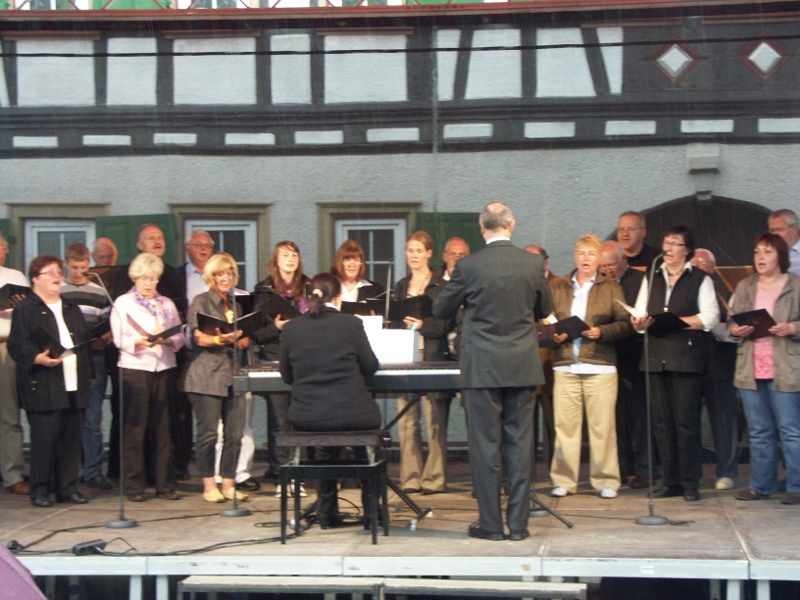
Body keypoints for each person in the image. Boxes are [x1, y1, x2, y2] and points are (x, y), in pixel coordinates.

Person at [433, 202, 552, 541]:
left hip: (482, 366)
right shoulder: (532, 263)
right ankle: (518, 525)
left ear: (482, 227)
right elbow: (546, 308)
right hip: (522, 365)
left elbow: (441, 308)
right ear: (511, 225)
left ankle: (490, 524)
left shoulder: (469, 266)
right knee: (520, 445)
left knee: (485, 447)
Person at [279, 273, 381, 528]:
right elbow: (370, 367)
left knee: (325, 444)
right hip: (354, 412)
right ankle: (371, 513)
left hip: (307, 416)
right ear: (339, 296)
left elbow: (286, 376)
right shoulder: (351, 324)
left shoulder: (292, 328)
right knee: (362, 438)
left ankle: (327, 515)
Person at [633, 225, 719, 502]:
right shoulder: (652, 275)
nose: (667, 249)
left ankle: (690, 481)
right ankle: (668, 480)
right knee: (661, 423)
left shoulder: (700, 279)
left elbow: (711, 317)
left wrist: (681, 323)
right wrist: (638, 321)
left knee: (686, 423)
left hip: (686, 357)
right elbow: (640, 311)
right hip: (656, 356)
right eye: (665, 243)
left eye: (675, 244)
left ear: (687, 250)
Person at [549, 235, 632, 499]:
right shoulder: (559, 286)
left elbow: (626, 323)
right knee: (565, 428)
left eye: (591, 254)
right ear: (575, 256)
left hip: (600, 365)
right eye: (582, 253)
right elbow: (547, 319)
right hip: (565, 365)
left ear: (599, 259)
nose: (586, 259)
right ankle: (564, 480)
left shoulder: (611, 287)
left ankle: (606, 479)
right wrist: (556, 333)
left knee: (602, 427)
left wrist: (602, 331)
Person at [8, 255, 93, 507]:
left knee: (70, 440)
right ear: (35, 279)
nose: (57, 276)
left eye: (58, 271)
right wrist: (37, 357)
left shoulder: (70, 307)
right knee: (44, 441)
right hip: (44, 381)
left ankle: (67, 488)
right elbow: (17, 344)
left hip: (73, 381)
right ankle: (41, 489)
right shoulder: (26, 309)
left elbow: (81, 341)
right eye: (50, 272)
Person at [729, 233, 800, 505]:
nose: (760, 257)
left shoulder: (795, 284)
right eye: (757, 251)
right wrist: (737, 329)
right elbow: (731, 323)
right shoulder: (746, 285)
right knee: (759, 430)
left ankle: (796, 486)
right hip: (752, 366)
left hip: (786, 366)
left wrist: (792, 327)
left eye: (767, 252)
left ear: (780, 256)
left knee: (791, 430)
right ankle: (761, 485)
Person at [111, 253, 185, 502]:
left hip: (163, 368)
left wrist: (168, 339)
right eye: (143, 278)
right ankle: (134, 486)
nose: (148, 283)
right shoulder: (123, 303)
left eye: (152, 279)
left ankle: (165, 485)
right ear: (135, 278)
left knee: (164, 429)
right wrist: (138, 341)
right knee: (135, 429)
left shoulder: (166, 304)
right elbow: (118, 338)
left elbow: (180, 337)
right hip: (135, 369)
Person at [185, 253, 250, 503]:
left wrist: (244, 334)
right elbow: (198, 338)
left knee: (234, 434)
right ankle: (208, 484)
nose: (226, 278)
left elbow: (244, 342)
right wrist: (219, 339)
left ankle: (229, 482)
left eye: (229, 273)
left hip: (233, 375)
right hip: (205, 376)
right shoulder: (200, 301)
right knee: (209, 434)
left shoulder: (237, 304)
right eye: (220, 274)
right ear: (211, 277)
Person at [394, 231, 453, 495]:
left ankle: (435, 478)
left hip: (432, 356)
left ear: (429, 253)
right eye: (410, 250)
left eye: (419, 250)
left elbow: (447, 322)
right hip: (404, 357)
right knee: (406, 420)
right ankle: (411, 478)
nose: (414, 255)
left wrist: (423, 325)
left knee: (435, 420)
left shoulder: (441, 285)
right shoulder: (400, 284)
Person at [253, 241, 310, 496]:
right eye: (285, 255)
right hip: (274, 359)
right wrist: (275, 328)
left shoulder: (308, 287)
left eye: (294, 254)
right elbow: (256, 333)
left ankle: (298, 472)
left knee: (299, 418)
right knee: (279, 420)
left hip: (304, 359)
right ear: (276, 260)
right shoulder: (264, 290)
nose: (290, 259)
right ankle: (281, 474)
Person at [600, 240, 653, 489]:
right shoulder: (600, 283)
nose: (608, 270)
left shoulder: (638, 280)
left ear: (624, 261)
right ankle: (619, 468)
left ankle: (645, 468)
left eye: (612, 265)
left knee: (641, 417)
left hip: (636, 358)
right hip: (608, 357)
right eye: (604, 266)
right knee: (615, 417)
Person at [61, 243, 114, 491]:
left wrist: (105, 338)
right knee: (67, 415)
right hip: (66, 358)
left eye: (83, 267)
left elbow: (108, 323)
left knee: (93, 416)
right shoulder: (58, 290)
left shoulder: (98, 291)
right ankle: (66, 470)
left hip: (94, 357)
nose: (79, 272)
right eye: (75, 267)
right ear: (66, 264)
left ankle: (92, 470)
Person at [692, 248, 740, 490]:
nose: (698, 264)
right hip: (690, 364)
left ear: (714, 266)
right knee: (689, 421)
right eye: (694, 261)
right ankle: (692, 472)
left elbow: (735, 326)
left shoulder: (726, 291)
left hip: (720, 364)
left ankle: (727, 472)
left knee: (724, 421)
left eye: (703, 261)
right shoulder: (687, 288)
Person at [172, 229, 216, 482]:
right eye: (197, 244)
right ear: (187, 248)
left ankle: (213, 466)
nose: (202, 248)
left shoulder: (220, 276)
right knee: (181, 410)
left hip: (215, 349)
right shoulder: (176, 275)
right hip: (185, 350)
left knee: (211, 414)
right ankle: (181, 462)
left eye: (207, 244)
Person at [524, 244, 564, 464]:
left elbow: (559, 318)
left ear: (546, 263)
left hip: (551, 364)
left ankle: (557, 472)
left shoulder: (558, 285)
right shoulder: (519, 284)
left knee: (554, 424)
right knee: (526, 426)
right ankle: (527, 472)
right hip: (526, 366)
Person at [0, 233, 30, 495]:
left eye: (1, 246)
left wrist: (22, 306)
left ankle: (12, 473)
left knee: (9, 414)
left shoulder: (16, 277)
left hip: (9, 346)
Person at [767, 209, 800, 276]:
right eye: (772, 231)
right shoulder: (768, 254)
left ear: (795, 228)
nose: (775, 235)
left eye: (780, 229)